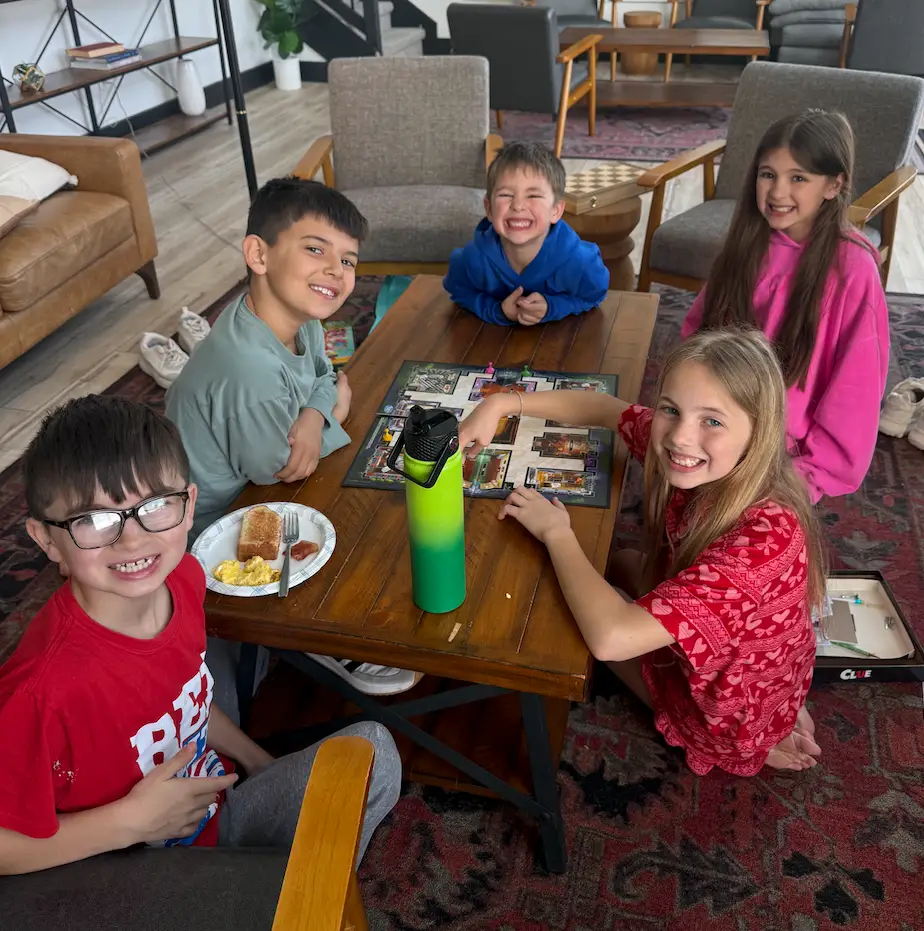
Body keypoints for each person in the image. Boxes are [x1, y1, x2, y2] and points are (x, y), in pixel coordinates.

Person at [0, 396, 401, 876]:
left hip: (207, 802)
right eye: (93, 519)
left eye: (154, 506)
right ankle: (284, 900)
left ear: (188, 506)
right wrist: (128, 824)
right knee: (372, 751)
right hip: (127, 872)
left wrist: (257, 761)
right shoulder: (42, 693)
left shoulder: (184, 578)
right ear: (47, 540)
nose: (132, 540)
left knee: (365, 753)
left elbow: (187, 699)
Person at [458, 329, 827, 776]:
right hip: (757, 664)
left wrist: (558, 533)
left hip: (722, 708)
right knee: (620, 562)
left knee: (581, 618)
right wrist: (501, 403)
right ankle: (771, 716)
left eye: (712, 421)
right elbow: (604, 408)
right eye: (671, 409)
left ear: (759, 433)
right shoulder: (702, 450)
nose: (680, 438)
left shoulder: (765, 541)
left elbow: (611, 638)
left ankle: (746, 739)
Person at [165, 177, 418, 700]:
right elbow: (284, 468)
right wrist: (330, 413)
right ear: (258, 254)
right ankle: (316, 637)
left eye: (348, 260)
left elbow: (330, 379)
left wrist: (314, 413)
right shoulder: (248, 372)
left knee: (376, 491)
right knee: (364, 514)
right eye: (314, 249)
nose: (336, 271)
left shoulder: (294, 317)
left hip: (255, 480)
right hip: (209, 529)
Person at [681, 109, 889, 503]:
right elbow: (698, 335)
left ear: (833, 185)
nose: (777, 192)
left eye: (798, 178)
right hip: (719, 423)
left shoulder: (852, 270)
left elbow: (855, 387)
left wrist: (808, 475)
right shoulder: (746, 243)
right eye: (767, 174)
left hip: (786, 453)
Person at [443, 141, 609, 326]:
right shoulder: (471, 259)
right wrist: (498, 311)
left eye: (533, 196)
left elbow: (595, 295)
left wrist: (552, 307)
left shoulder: (582, 263)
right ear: (489, 209)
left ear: (556, 210)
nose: (518, 205)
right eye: (506, 195)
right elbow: (460, 292)